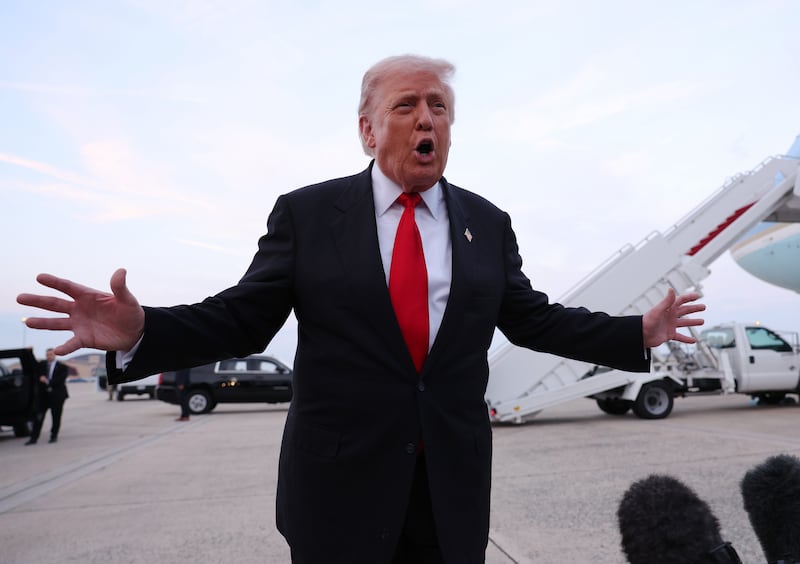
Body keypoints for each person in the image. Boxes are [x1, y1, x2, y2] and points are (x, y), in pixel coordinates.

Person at [17, 54, 705, 563]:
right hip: (338, 485)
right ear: (368, 130)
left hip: (449, 485)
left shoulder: (486, 224)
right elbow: (244, 318)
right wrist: (143, 329)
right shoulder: (309, 214)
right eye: (407, 105)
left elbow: (533, 317)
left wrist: (634, 334)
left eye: (438, 106)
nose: (426, 118)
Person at [26, 347, 69, 445]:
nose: (49, 357)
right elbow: (33, 365)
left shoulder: (62, 367)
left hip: (57, 396)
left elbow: (61, 380)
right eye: (47, 355)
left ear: (55, 355)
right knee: (38, 417)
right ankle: (33, 438)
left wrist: (47, 381)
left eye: (51, 355)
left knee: (56, 417)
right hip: (44, 397)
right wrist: (30, 352)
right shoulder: (42, 365)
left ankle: (53, 436)